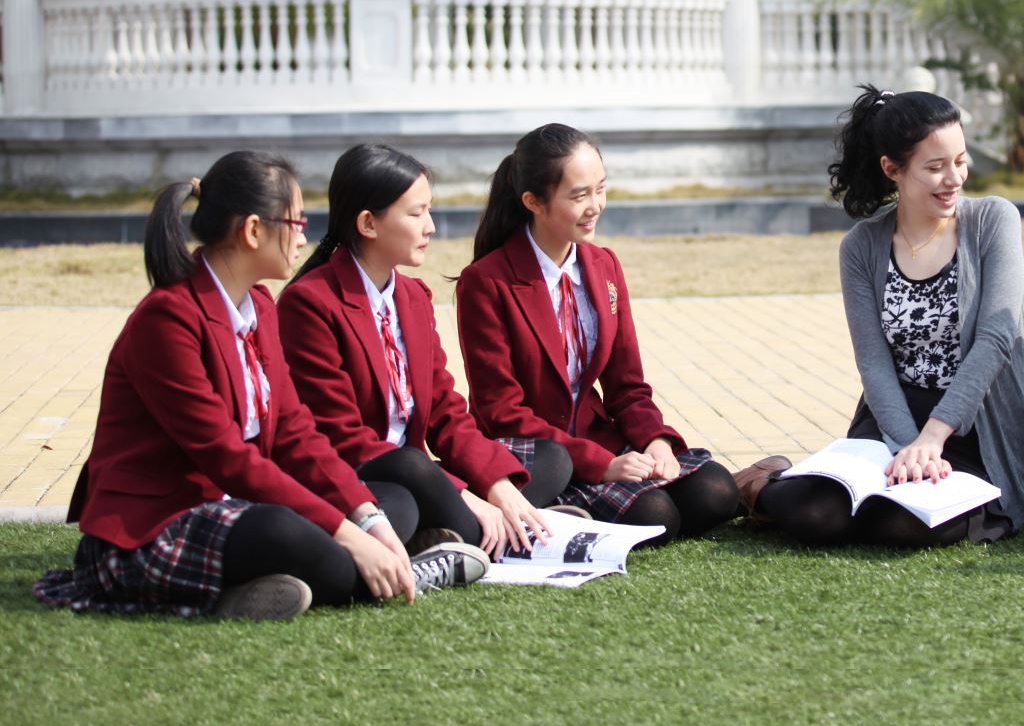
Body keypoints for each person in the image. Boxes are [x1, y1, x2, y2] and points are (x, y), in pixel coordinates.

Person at [35, 152, 485, 623]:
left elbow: (296, 433)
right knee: (290, 533)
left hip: (236, 508)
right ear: (253, 231)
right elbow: (225, 457)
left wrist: (365, 517)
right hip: (157, 526)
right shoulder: (167, 319)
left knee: (390, 505)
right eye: (296, 221)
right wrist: (348, 533)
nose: (305, 237)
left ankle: (255, 590)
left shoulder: (259, 306)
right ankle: (407, 573)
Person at [734, 86, 1024, 547]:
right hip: (892, 417)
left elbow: (997, 338)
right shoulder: (861, 247)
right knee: (817, 517)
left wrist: (933, 440)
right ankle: (767, 481)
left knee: (903, 523)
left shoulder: (993, 220)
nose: (954, 178)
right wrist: (907, 446)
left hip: (974, 420)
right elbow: (874, 362)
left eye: (960, 160)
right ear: (892, 169)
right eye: (935, 167)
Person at [280, 143, 569, 562]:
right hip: (362, 474)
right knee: (405, 490)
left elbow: (445, 411)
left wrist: (493, 485)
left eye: (428, 210)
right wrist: (462, 493)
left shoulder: (414, 296)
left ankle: (464, 530)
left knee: (550, 458)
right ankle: (489, 527)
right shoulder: (310, 304)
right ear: (368, 223)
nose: (430, 226)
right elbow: (340, 437)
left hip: (420, 472)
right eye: (416, 214)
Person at [457, 124, 739, 544]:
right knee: (656, 514)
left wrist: (656, 441)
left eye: (600, 189)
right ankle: (555, 504)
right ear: (533, 201)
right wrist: (601, 465)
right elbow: (500, 411)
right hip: (536, 452)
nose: (595, 206)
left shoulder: (603, 265)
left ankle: (569, 510)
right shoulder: (486, 281)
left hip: (598, 437)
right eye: (578, 195)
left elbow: (627, 385)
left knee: (716, 492)